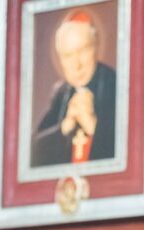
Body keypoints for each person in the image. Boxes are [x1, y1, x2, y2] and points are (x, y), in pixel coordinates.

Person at [31, 11, 116, 167]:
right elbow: (33, 153)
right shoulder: (61, 92)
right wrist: (64, 128)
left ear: (95, 47)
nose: (76, 65)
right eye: (68, 56)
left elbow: (132, 146)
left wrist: (93, 126)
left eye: (83, 51)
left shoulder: (114, 84)